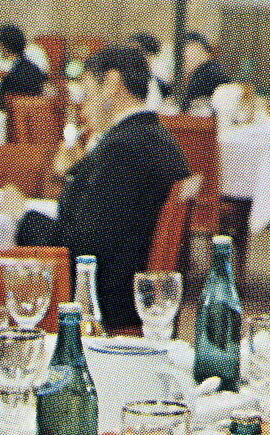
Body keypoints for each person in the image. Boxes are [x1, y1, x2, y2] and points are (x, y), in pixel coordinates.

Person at [15, 43, 189, 331]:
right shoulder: (152, 137)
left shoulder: (124, 149)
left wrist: (22, 217)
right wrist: (72, 173)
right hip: (127, 289)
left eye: (87, 92)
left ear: (111, 83)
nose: (83, 107)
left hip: (102, 305)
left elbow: (81, 248)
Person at [0, 23, 47, 103]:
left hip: (15, 109)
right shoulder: (36, 71)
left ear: (4, 47)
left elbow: (2, 102)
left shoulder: (9, 80)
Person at [180, 32, 229, 112]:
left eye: (184, 56)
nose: (182, 62)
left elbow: (185, 108)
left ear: (204, 52)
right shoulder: (211, 70)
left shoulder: (206, 75)